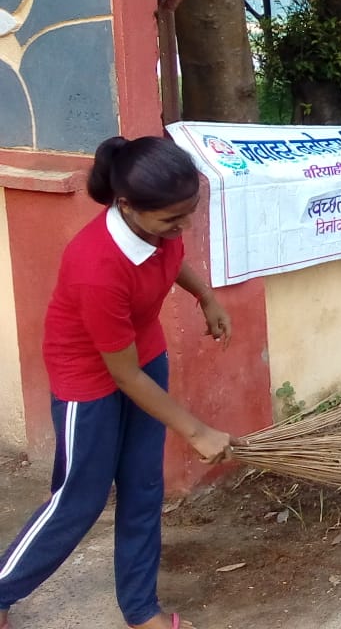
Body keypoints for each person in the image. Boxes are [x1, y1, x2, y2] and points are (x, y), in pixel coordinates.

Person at [0, 136, 233, 629]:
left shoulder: (158, 229)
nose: (182, 228)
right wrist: (196, 431)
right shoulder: (96, 265)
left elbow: (171, 260)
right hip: (87, 379)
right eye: (172, 220)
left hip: (143, 357)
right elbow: (120, 374)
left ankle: (141, 610)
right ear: (126, 206)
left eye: (187, 215)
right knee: (79, 500)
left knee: (144, 487)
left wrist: (205, 297)